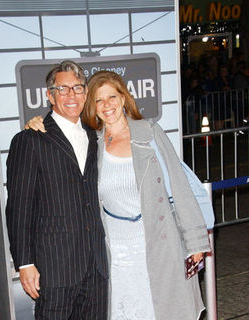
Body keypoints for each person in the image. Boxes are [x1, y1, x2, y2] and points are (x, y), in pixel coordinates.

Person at [27, 70, 211, 319]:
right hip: (114, 253)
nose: (107, 105)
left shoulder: (149, 133)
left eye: (112, 97)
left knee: (163, 311)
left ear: (124, 98)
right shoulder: (93, 142)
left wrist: (196, 243)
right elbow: (61, 131)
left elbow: (180, 188)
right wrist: (37, 124)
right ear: (92, 106)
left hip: (157, 243)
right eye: (99, 100)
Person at [6, 61, 109, 319]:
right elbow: (19, 208)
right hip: (55, 267)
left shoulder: (97, 136)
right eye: (62, 89)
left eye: (77, 88)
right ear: (49, 95)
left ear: (86, 93)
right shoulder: (30, 140)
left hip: (96, 265)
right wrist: (25, 263)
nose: (71, 95)